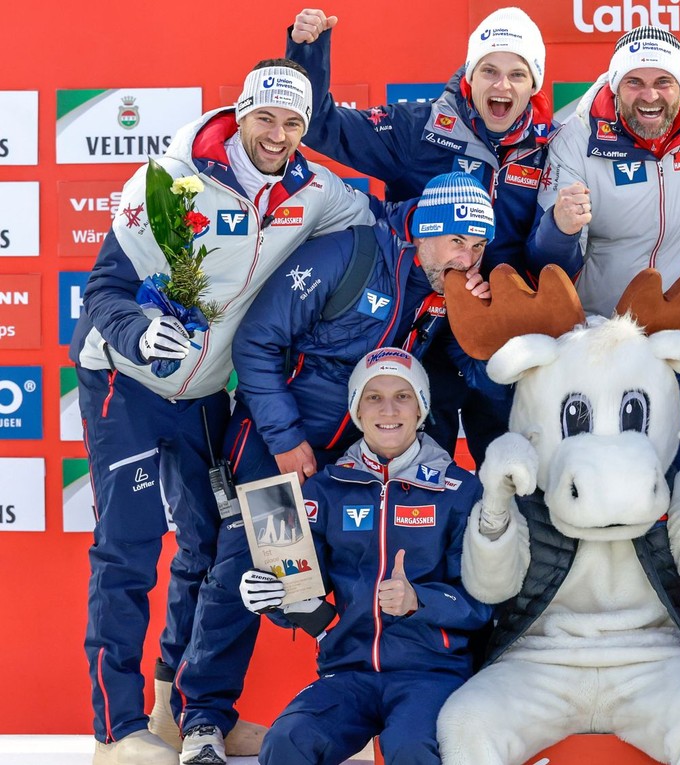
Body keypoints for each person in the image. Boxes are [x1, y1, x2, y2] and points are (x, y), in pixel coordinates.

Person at [71, 59, 373, 765]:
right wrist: (136, 329)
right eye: (265, 117)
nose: (278, 134)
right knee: (129, 550)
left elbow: (372, 221)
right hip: (127, 383)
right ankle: (113, 733)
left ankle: (176, 714)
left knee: (208, 550)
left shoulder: (314, 189)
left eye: (293, 122)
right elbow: (103, 287)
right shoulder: (173, 176)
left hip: (206, 393)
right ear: (240, 112)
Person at [171, 172, 496, 764]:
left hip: (351, 454)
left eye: (478, 247)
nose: (467, 257)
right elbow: (257, 343)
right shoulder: (352, 251)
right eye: (457, 242)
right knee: (242, 568)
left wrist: (476, 321)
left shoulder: (439, 287)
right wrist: (288, 438)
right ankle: (201, 722)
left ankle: (370, 696)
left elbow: (463, 374)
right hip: (281, 439)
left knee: (297, 581)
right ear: (425, 231)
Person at [285, 5, 556, 462]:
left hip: (501, 336)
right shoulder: (419, 128)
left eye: (517, 73)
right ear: (470, 75)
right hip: (421, 333)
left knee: (516, 476)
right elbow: (322, 126)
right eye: (489, 70)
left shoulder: (550, 145)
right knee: (423, 482)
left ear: (535, 84)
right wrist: (307, 52)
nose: (501, 85)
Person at [235, 347, 491, 765]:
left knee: (411, 751)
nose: (388, 409)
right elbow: (299, 591)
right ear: (356, 409)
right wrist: (268, 595)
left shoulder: (460, 491)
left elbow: (483, 606)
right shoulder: (324, 489)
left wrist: (418, 602)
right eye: (373, 396)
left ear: (422, 406)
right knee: (287, 742)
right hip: (347, 672)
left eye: (403, 396)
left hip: (430, 675)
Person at [528, 24, 680, 434]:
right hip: (603, 340)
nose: (649, 96)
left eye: (663, 82)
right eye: (634, 82)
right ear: (615, 85)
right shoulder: (580, 135)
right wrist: (560, 228)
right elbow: (546, 262)